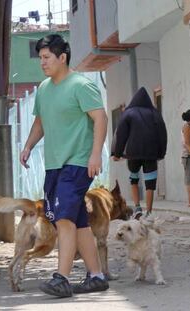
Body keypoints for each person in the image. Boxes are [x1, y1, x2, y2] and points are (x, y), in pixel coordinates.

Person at [20, 34, 109, 297]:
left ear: (63, 57)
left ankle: (62, 278)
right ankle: (96, 276)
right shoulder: (45, 88)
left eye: (47, 57)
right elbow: (40, 123)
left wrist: (96, 155)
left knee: (64, 219)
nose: (42, 63)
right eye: (41, 58)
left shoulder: (81, 85)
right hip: (54, 165)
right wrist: (28, 146)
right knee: (78, 221)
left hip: (78, 162)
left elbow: (101, 118)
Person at [112, 87, 167, 219]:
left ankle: (137, 208)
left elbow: (121, 134)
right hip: (151, 154)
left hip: (133, 154)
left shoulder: (128, 113)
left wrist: (117, 153)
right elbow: (163, 134)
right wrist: (161, 153)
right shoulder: (155, 114)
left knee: (134, 179)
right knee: (150, 183)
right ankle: (148, 211)